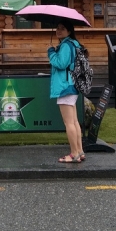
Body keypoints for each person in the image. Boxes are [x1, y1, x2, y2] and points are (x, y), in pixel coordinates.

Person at [47, 19, 85, 163]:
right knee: (74, 121)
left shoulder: (65, 46)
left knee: (69, 123)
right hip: (72, 85)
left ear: (69, 31)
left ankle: (74, 154)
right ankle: (79, 151)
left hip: (65, 87)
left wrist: (51, 52)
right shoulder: (73, 44)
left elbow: (61, 64)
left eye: (62, 28)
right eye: (57, 28)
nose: (58, 30)